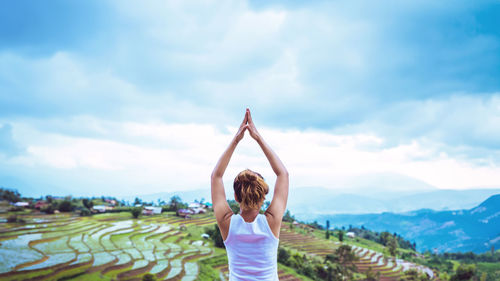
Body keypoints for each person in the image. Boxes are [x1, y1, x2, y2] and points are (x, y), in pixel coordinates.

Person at [211, 108, 289, 280]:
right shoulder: (271, 222)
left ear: (236, 197)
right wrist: (257, 137)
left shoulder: (227, 223)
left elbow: (216, 176)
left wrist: (237, 139)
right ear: (263, 198)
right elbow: (282, 174)